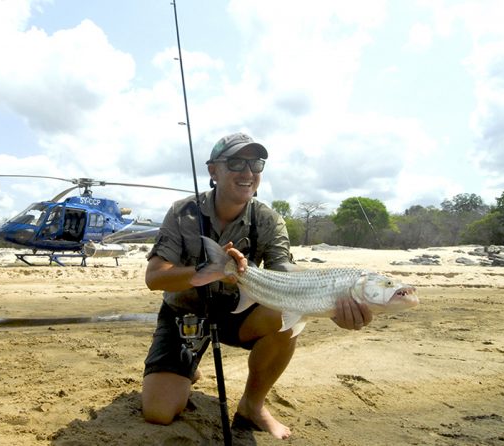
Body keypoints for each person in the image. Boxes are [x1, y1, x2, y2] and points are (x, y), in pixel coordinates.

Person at [140, 132, 373, 440]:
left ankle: (253, 405)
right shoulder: (182, 213)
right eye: (236, 162)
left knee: (287, 321)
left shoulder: (268, 219)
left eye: (256, 163)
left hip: (240, 314)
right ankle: (187, 366)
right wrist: (211, 271)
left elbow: (287, 279)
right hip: (185, 315)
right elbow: (155, 277)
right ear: (213, 171)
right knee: (159, 412)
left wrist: (332, 305)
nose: (248, 172)